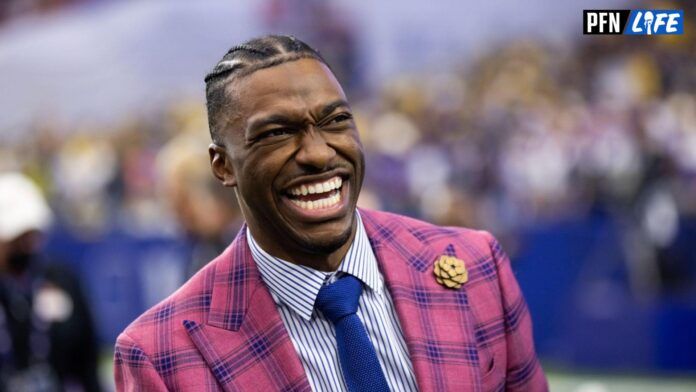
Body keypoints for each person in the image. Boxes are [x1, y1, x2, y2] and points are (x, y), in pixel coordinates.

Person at [114, 35, 548, 391]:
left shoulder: (476, 265)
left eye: (335, 120)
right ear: (223, 165)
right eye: (277, 133)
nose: (319, 154)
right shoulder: (160, 355)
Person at [0, 172, 102, 391]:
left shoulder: (61, 278)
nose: (26, 245)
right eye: (17, 237)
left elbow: (87, 356)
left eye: (31, 234)